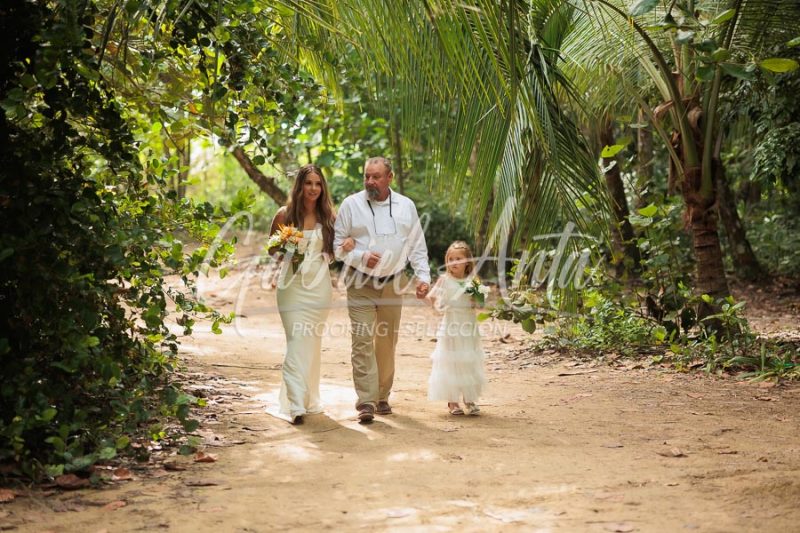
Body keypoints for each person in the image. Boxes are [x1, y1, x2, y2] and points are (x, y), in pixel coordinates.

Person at [334, 157, 431, 423]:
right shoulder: (351, 204)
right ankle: (366, 401)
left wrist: (423, 277)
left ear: (390, 178)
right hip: (360, 282)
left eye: (376, 177)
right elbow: (337, 247)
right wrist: (361, 257)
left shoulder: (406, 206)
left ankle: (381, 395)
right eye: (367, 176)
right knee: (362, 339)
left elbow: (417, 245)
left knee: (387, 341)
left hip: (393, 282)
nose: (370, 182)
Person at [269, 164, 353, 425]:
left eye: (318, 184)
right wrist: (288, 250)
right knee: (297, 340)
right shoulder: (284, 214)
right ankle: (294, 405)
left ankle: (306, 398)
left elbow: (334, 254)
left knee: (311, 344)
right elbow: (271, 249)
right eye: (308, 183)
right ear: (300, 186)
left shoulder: (329, 218)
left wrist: (346, 246)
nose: (313, 188)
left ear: (322, 187)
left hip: (319, 288)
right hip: (290, 286)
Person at [426, 241, 486, 416]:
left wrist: (476, 298)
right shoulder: (445, 280)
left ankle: (469, 398)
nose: (454, 262)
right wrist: (437, 307)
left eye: (458, 259)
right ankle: (453, 401)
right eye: (450, 259)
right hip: (451, 324)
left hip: (468, 325)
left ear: (467, 262)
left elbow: (481, 304)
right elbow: (431, 297)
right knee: (451, 359)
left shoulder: (473, 281)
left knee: (468, 359)